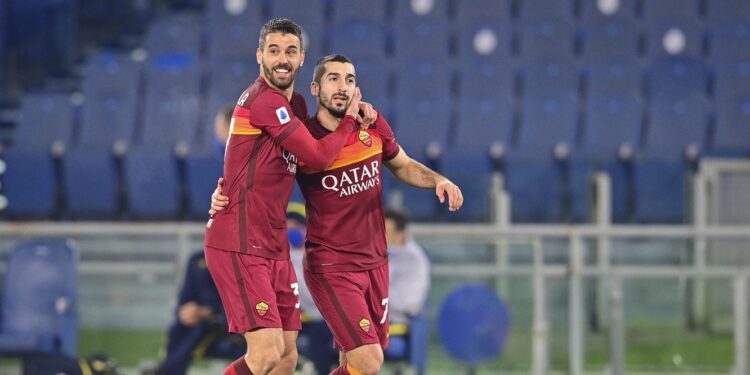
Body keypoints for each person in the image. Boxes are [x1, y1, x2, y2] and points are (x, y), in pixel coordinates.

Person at [210, 54, 463, 375]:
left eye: (350, 79)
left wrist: (437, 179)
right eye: (334, 79)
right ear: (315, 88)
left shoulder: (372, 124)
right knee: (369, 361)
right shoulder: (301, 139)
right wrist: (222, 195)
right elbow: (253, 170)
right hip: (332, 265)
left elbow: (404, 164)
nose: (342, 87)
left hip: (375, 263)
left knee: (352, 363)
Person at [203, 18, 375, 375]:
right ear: (259, 56)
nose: (282, 59)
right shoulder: (264, 101)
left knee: (286, 358)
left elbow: (314, 146)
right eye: (274, 50)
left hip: (272, 243)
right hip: (239, 240)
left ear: (301, 59)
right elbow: (317, 155)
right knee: (265, 355)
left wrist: (357, 113)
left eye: (290, 52)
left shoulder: (295, 103)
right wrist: (348, 122)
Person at [144, 251, 245, 375]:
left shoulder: (237, 259)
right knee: (176, 330)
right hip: (198, 320)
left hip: (222, 323)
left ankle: (165, 371)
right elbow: (185, 295)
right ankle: (168, 370)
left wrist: (209, 312)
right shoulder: (196, 259)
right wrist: (184, 310)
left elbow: (236, 296)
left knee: (199, 331)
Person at [287, 202, 340, 375]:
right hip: (300, 321)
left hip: (325, 319)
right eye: (288, 226)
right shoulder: (281, 258)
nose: (291, 230)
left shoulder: (320, 256)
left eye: (297, 226)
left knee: (321, 333)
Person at [382, 208, 430, 367]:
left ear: (400, 234)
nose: (381, 237)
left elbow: (409, 303)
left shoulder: (415, 260)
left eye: (386, 232)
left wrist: (375, 301)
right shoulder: (375, 255)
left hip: (398, 328)